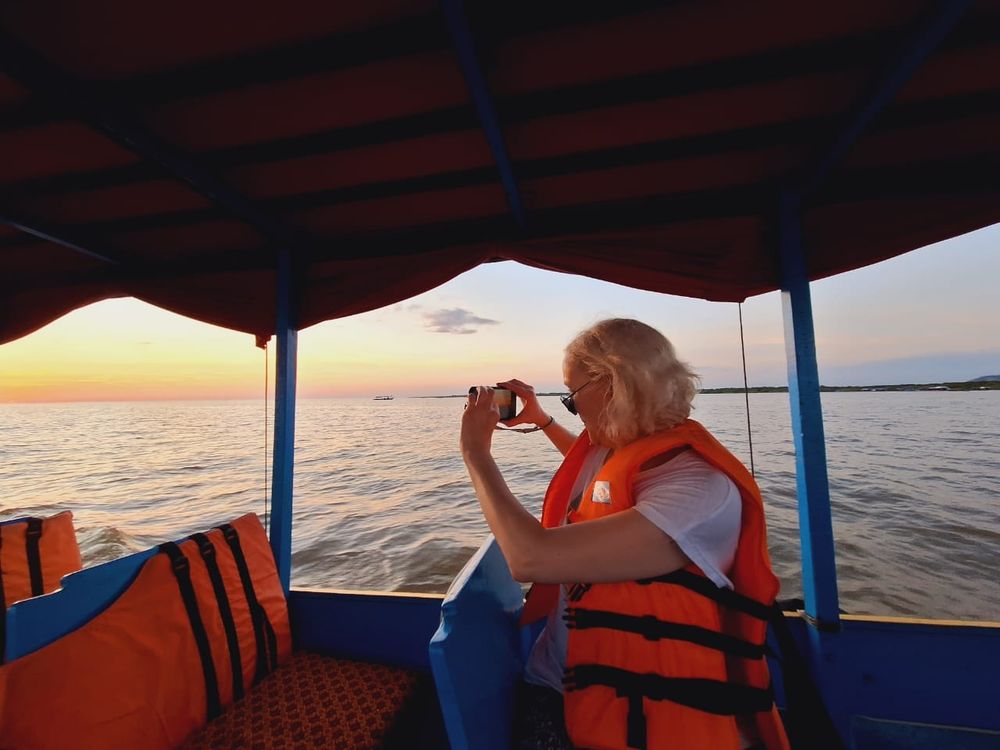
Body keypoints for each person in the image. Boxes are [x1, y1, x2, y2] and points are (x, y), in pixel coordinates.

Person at [460, 318, 790, 750]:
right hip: (556, 681)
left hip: (642, 717)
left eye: (572, 395)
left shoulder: (698, 490)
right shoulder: (620, 447)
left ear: (612, 384)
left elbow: (530, 557)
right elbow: (599, 479)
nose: (572, 407)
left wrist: (475, 454)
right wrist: (542, 421)